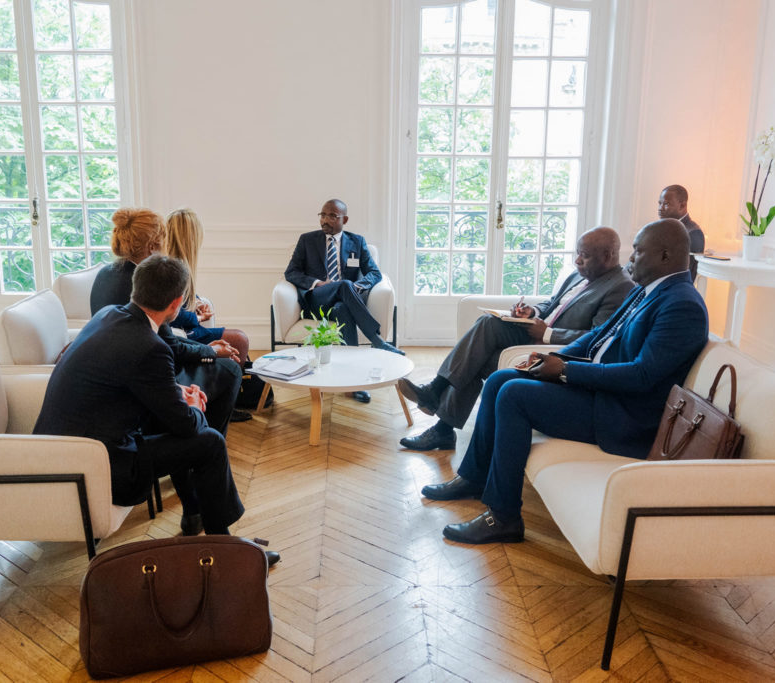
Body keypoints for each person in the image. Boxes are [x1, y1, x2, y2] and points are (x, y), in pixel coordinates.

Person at [421, 219, 708, 545]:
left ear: (666, 255)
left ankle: (503, 517)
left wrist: (566, 371)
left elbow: (641, 376)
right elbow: (597, 336)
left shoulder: (682, 304)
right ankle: (474, 478)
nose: (630, 259)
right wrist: (553, 359)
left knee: (514, 395)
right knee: (501, 379)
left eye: (638, 252)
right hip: (602, 391)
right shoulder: (647, 291)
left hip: (624, 414)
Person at [34, 255, 278, 566]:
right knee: (209, 443)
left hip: (58, 452)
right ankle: (227, 548)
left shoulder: (108, 315)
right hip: (102, 466)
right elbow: (187, 425)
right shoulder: (150, 346)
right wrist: (192, 405)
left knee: (179, 426)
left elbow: (123, 380)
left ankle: (203, 520)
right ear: (176, 304)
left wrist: (174, 391)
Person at [398, 227, 634, 451]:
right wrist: (532, 312)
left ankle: (440, 416)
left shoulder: (620, 287)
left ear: (608, 256)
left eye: (584, 256)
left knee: (476, 357)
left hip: (553, 350)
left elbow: (598, 337)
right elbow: (552, 304)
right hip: (535, 332)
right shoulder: (578, 275)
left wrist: (547, 334)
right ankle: (437, 402)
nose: (577, 260)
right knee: (487, 324)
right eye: (577, 253)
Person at [90, 208, 248, 428]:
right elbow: (171, 347)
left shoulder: (106, 273)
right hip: (146, 375)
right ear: (152, 246)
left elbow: (167, 339)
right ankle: (203, 435)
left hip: (114, 370)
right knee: (229, 369)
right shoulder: (146, 281)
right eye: (164, 239)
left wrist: (207, 349)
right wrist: (211, 351)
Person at [284, 198, 403, 403]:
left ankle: (353, 383)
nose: (325, 220)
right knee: (344, 284)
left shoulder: (357, 242)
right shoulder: (307, 240)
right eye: (323, 215)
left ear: (344, 220)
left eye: (332, 216)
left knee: (343, 306)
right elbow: (291, 272)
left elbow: (374, 273)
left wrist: (359, 286)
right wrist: (317, 283)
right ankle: (377, 341)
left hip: (345, 301)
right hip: (317, 300)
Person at [164, 208, 250, 364]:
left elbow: (181, 298)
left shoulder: (178, 265)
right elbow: (170, 313)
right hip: (185, 334)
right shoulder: (172, 269)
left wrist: (195, 301)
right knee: (240, 339)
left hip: (189, 330)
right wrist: (198, 318)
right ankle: (233, 377)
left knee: (239, 338)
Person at [657, 184, 705, 280]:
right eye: (659, 203)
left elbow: (686, 276)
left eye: (666, 204)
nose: (660, 208)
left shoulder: (693, 233)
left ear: (682, 205)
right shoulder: (664, 227)